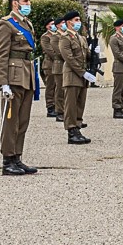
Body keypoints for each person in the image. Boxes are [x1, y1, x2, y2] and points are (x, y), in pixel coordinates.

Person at [0, 0, 39, 175]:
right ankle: (7, 160)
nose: (29, 4)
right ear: (15, 3)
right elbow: (1, 55)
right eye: (26, 1)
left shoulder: (26, 23)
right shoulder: (6, 24)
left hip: (27, 74)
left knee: (22, 120)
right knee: (11, 121)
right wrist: (3, 82)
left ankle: (17, 157)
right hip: (14, 76)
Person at [57, 10, 93, 144]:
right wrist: (82, 72)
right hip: (72, 74)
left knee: (80, 103)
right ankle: (71, 131)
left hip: (82, 75)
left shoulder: (81, 38)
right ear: (69, 22)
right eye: (76, 20)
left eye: (79, 20)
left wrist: (93, 53)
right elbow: (69, 58)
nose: (79, 22)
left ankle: (77, 127)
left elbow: (86, 55)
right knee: (71, 105)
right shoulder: (65, 38)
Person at [108, 18, 123, 120]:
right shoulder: (114, 38)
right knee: (118, 89)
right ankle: (116, 108)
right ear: (117, 27)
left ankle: (121, 107)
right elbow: (117, 54)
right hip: (119, 67)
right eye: (122, 26)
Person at [39, 18, 60, 118]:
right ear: (47, 26)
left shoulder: (58, 35)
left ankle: (57, 106)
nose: (54, 25)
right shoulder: (45, 37)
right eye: (51, 24)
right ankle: (50, 106)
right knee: (50, 86)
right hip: (49, 64)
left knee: (57, 86)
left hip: (57, 64)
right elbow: (49, 51)